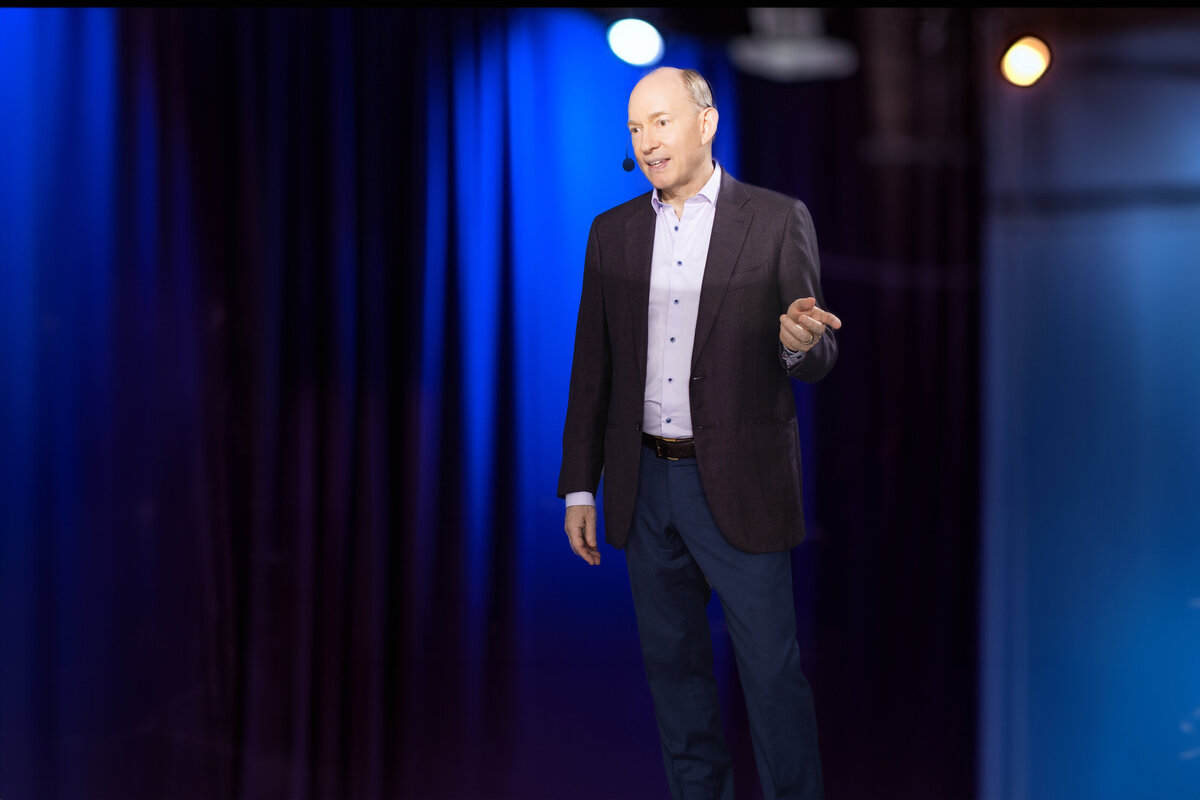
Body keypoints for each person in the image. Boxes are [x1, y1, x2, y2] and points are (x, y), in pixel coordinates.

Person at [558, 66, 841, 800]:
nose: (647, 141)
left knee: (773, 680)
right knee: (677, 684)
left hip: (743, 484)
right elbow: (592, 367)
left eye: (660, 122)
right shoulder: (611, 233)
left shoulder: (777, 219)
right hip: (646, 486)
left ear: (705, 123)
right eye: (634, 129)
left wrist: (798, 342)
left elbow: (813, 355)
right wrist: (579, 487)